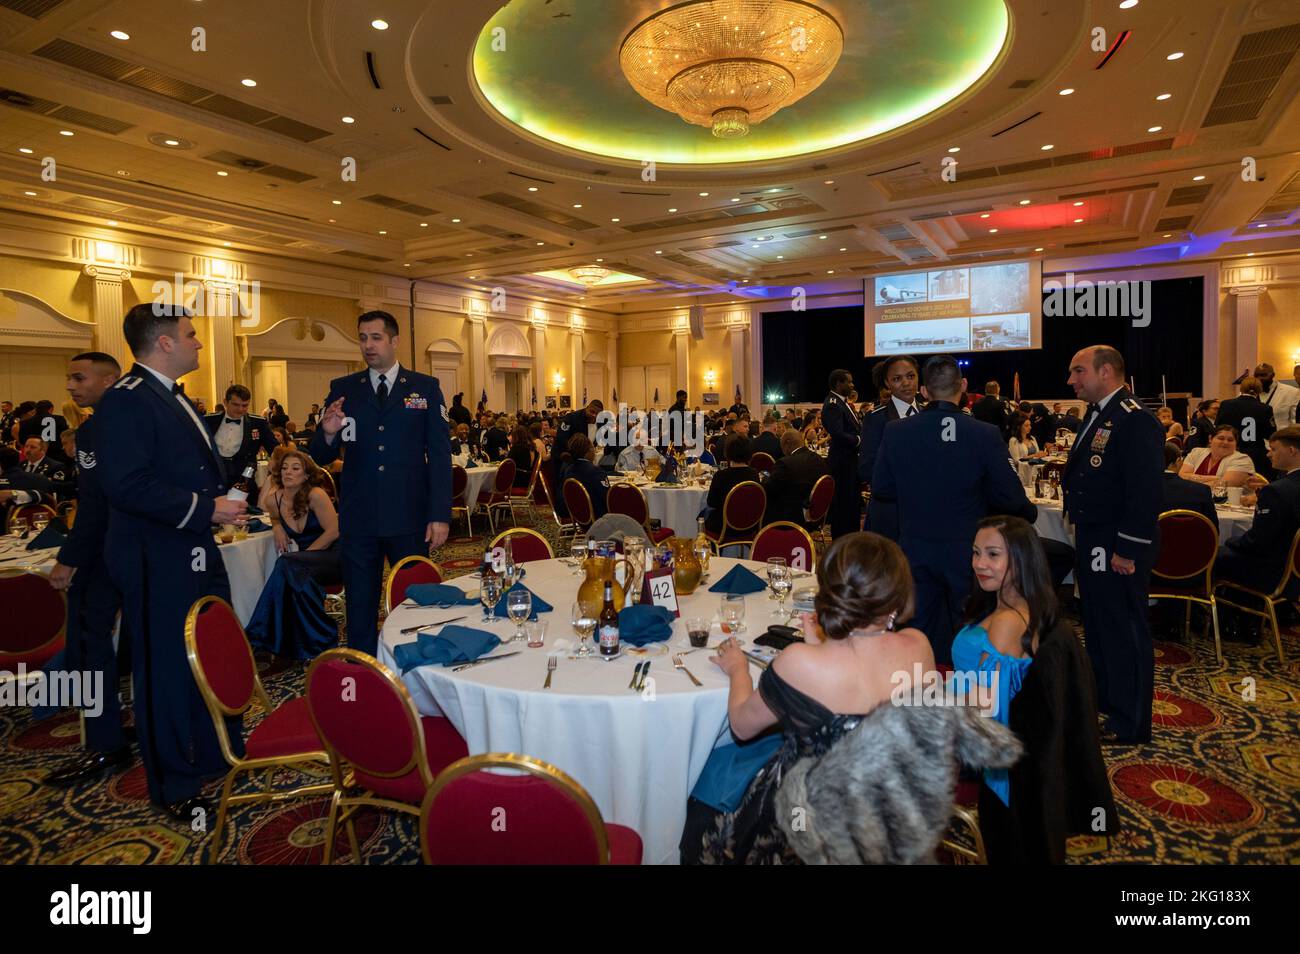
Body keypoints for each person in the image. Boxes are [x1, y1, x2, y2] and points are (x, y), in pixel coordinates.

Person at [683, 532, 934, 864]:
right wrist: (822, 648)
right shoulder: (919, 646)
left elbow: (742, 726)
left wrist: (738, 670)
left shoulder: (799, 663)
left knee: (698, 787)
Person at [94, 304, 249, 817]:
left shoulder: (170, 398)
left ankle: (215, 754)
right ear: (164, 343)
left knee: (204, 656)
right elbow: (127, 486)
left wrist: (217, 508)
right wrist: (208, 508)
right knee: (163, 674)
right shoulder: (126, 402)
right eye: (191, 335)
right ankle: (175, 786)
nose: (199, 343)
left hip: (193, 549)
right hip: (154, 557)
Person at [871, 355, 1038, 664]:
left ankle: (920, 703)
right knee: (971, 634)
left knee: (917, 634)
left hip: (915, 547)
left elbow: (881, 489)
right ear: (962, 386)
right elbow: (1010, 496)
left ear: (924, 391)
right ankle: (970, 704)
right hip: (968, 552)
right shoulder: (985, 434)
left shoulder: (896, 432)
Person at [309, 310, 451, 657]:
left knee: (415, 599)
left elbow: (440, 455)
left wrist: (440, 515)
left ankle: (417, 669)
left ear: (394, 341)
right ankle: (364, 678)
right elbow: (319, 455)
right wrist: (327, 433)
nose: (368, 346)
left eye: (375, 337)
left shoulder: (424, 388)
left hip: (410, 516)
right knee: (360, 606)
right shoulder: (344, 390)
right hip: (361, 519)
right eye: (362, 338)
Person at [1062, 345, 1164, 745]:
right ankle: (1107, 702)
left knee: (1123, 628)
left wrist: (1128, 549)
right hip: (1095, 537)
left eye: (1078, 371)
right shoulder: (1101, 414)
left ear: (1106, 371)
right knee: (1101, 624)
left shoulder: (1135, 420)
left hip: (1117, 542)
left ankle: (1130, 720)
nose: (1071, 381)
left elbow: (1145, 494)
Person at [43, 352, 131, 788]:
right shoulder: (138, 418)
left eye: (79, 377)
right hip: (139, 551)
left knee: (89, 643)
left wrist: (70, 558)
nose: (71, 387)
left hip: (105, 554)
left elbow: (96, 504)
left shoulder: (99, 429)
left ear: (109, 379)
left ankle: (104, 741)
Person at [956, 515, 1056, 806]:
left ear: (1022, 560)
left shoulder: (1008, 622)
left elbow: (988, 709)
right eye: (976, 552)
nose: (979, 563)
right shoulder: (1013, 603)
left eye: (993, 555)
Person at [245, 448, 341, 660]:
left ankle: (258, 637)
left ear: (306, 475)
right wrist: (277, 526)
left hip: (335, 557)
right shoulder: (273, 500)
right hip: (303, 563)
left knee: (288, 565)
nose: (288, 472)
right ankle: (312, 641)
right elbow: (274, 518)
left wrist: (303, 558)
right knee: (294, 575)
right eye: (285, 468)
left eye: (295, 468)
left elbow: (334, 531)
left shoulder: (316, 495)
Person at [1213, 426, 1300, 640]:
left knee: (1214, 554)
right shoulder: (1279, 488)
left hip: (1272, 570)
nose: (1268, 453)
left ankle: (1227, 621)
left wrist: (1232, 541)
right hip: (1294, 569)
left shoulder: (1278, 491)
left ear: (1292, 451)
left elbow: (1257, 542)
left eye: (1273, 449)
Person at [858, 355, 920, 541]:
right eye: (897, 378)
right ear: (887, 383)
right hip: (891, 513)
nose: (906, 383)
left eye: (910, 376)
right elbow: (866, 468)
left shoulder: (929, 414)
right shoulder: (876, 419)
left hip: (926, 512)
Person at [204, 384, 278, 489]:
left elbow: (274, 449)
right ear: (225, 402)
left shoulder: (258, 423)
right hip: (214, 478)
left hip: (244, 480)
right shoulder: (208, 421)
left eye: (245, 405)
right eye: (236, 405)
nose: (240, 409)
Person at [821, 369, 862, 538]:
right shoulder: (833, 404)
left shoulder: (841, 402)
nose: (852, 385)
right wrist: (858, 440)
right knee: (844, 506)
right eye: (849, 382)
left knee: (851, 503)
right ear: (838, 384)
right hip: (842, 463)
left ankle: (851, 538)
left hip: (849, 460)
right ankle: (843, 542)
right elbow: (837, 433)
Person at [762, 427, 827, 527]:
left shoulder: (785, 463)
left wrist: (764, 478)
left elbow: (769, 488)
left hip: (790, 516)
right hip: (817, 513)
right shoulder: (819, 459)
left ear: (786, 444)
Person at [549, 399, 603, 517]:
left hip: (582, 460)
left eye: (597, 414)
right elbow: (561, 439)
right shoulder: (571, 418)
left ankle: (583, 513)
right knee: (564, 487)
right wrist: (574, 456)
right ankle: (565, 514)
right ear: (587, 407)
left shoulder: (600, 422)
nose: (594, 415)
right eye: (592, 412)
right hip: (564, 457)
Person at [1216, 376, 1276, 477]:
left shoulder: (1226, 405)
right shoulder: (1265, 408)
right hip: (1256, 453)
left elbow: (1218, 428)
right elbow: (1270, 434)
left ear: (1241, 388)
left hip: (1231, 451)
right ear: (1259, 390)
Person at [703, 435, 760, 539]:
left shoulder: (721, 475)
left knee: (703, 514)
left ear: (727, 453)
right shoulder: (754, 474)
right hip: (749, 525)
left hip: (723, 526)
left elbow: (711, 502)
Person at [1160, 443, 1219, 531]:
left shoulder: (1141, 488)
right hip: (1194, 543)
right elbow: (1213, 529)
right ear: (1178, 461)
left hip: (1153, 543)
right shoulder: (1202, 490)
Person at [1178, 423, 1254, 488]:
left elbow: (1222, 486)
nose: (1225, 442)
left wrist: (1192, 480)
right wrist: (1216, 478)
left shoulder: (1242, 459)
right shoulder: (1196, 452)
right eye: (1221, 438)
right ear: (1210, 439)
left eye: (1230, 440)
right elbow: (1182, 476)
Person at [559, 433, 608, 519]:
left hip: (576, 515)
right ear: (589, 451)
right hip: (598, 517)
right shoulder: (595, 471)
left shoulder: (567, 469)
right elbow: (607, 497)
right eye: (593, 448)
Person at [1256, 362, 1298, 428]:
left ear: (1273, 375)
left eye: (1263, 375)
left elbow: (1294, 421)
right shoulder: (1249, 393)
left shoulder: (1292, 392)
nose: (1259, 378)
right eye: (1256, 376)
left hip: (1282, 436)